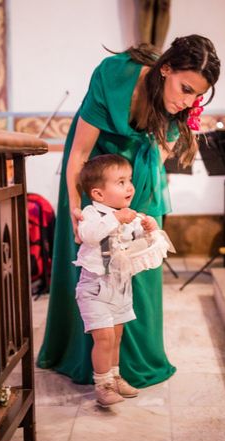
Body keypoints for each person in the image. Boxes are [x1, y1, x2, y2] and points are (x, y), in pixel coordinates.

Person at [37, 35, 221, 388]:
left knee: (140, 255)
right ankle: (88, 359)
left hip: (142, 157)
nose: (188, 101)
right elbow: (79, 154)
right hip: (95, 163)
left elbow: (164, 148)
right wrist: (78, 208)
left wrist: (135, 192)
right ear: (165, 68)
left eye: (196, 96)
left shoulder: (178, 104)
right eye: (185, 88)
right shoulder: (113, 74)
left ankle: (135, 362)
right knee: (91, 257)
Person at [75, 154, 172, 406]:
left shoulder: (127, 215)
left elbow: (134, 237)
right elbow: (89, 235)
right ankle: (102, 384)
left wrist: (147, 227)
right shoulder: (92, 213)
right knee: (104, 337)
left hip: (120, 288)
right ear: (98, 194)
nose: (129, 186)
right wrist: (115, 218)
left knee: (117, 336)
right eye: (120, 182)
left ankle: (115, 377)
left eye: (129, 180)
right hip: (94, 289)